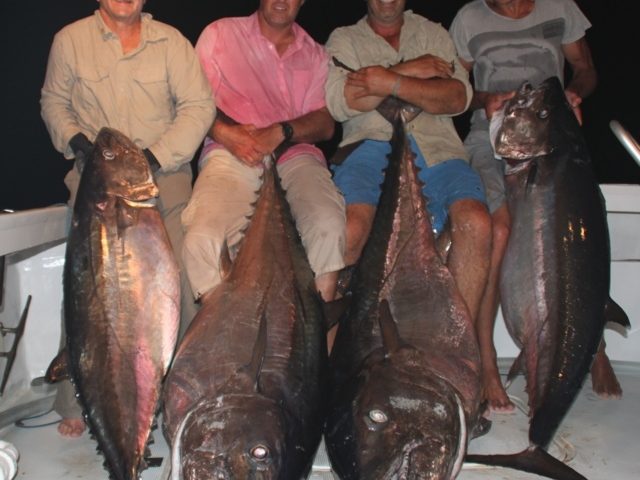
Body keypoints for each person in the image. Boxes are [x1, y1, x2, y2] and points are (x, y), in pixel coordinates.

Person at [40, 0, 216, 436]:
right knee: (87, 289)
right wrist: (80, 144)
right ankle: (77, 399)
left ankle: (186, 392)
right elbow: (53, 103)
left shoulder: (172, 42)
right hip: (96, 181)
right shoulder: (70, 40)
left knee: (181, 283)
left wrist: (151, 159)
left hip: (162, 177)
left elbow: (198, 107)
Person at [449, 0, 622, 411]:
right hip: (492, 133)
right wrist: (484, 99)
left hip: (554, 130)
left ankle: (594, 348)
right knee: (500, 228)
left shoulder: (561, 7)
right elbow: (455, 90)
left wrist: (576, 90)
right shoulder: (469, 18)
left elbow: (586, 67)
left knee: (583, 227)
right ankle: (486, 360)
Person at [324, 1, 491, 327]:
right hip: (368, 148)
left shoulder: (433, 33)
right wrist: (412, 70)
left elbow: (457, 97)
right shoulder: (344, 39)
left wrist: (384, 82)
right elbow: (343, 102)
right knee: (350, 230)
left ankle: (458, 352)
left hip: (438, 150)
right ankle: (330, 357)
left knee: (477, 223)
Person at [181, 1, 345, 312]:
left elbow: (325, 124)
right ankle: (224, 331)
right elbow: (193, 102)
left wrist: (282, 131)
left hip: (294, 155)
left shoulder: (316, 54)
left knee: (328, 226)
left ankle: (315, 336)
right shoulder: (219, 34)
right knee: (201, 240)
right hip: (232, 153)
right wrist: (230, 136)